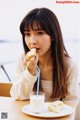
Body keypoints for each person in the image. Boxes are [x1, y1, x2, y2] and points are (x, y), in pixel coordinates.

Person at [10, 8, 79, 109]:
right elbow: (17, 95)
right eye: (27, 34)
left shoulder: (69, 66)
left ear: (53, 36)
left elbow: (70, 104)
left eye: (40, 33)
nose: (32, 41)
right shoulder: (22, 60)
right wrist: (29, 72)